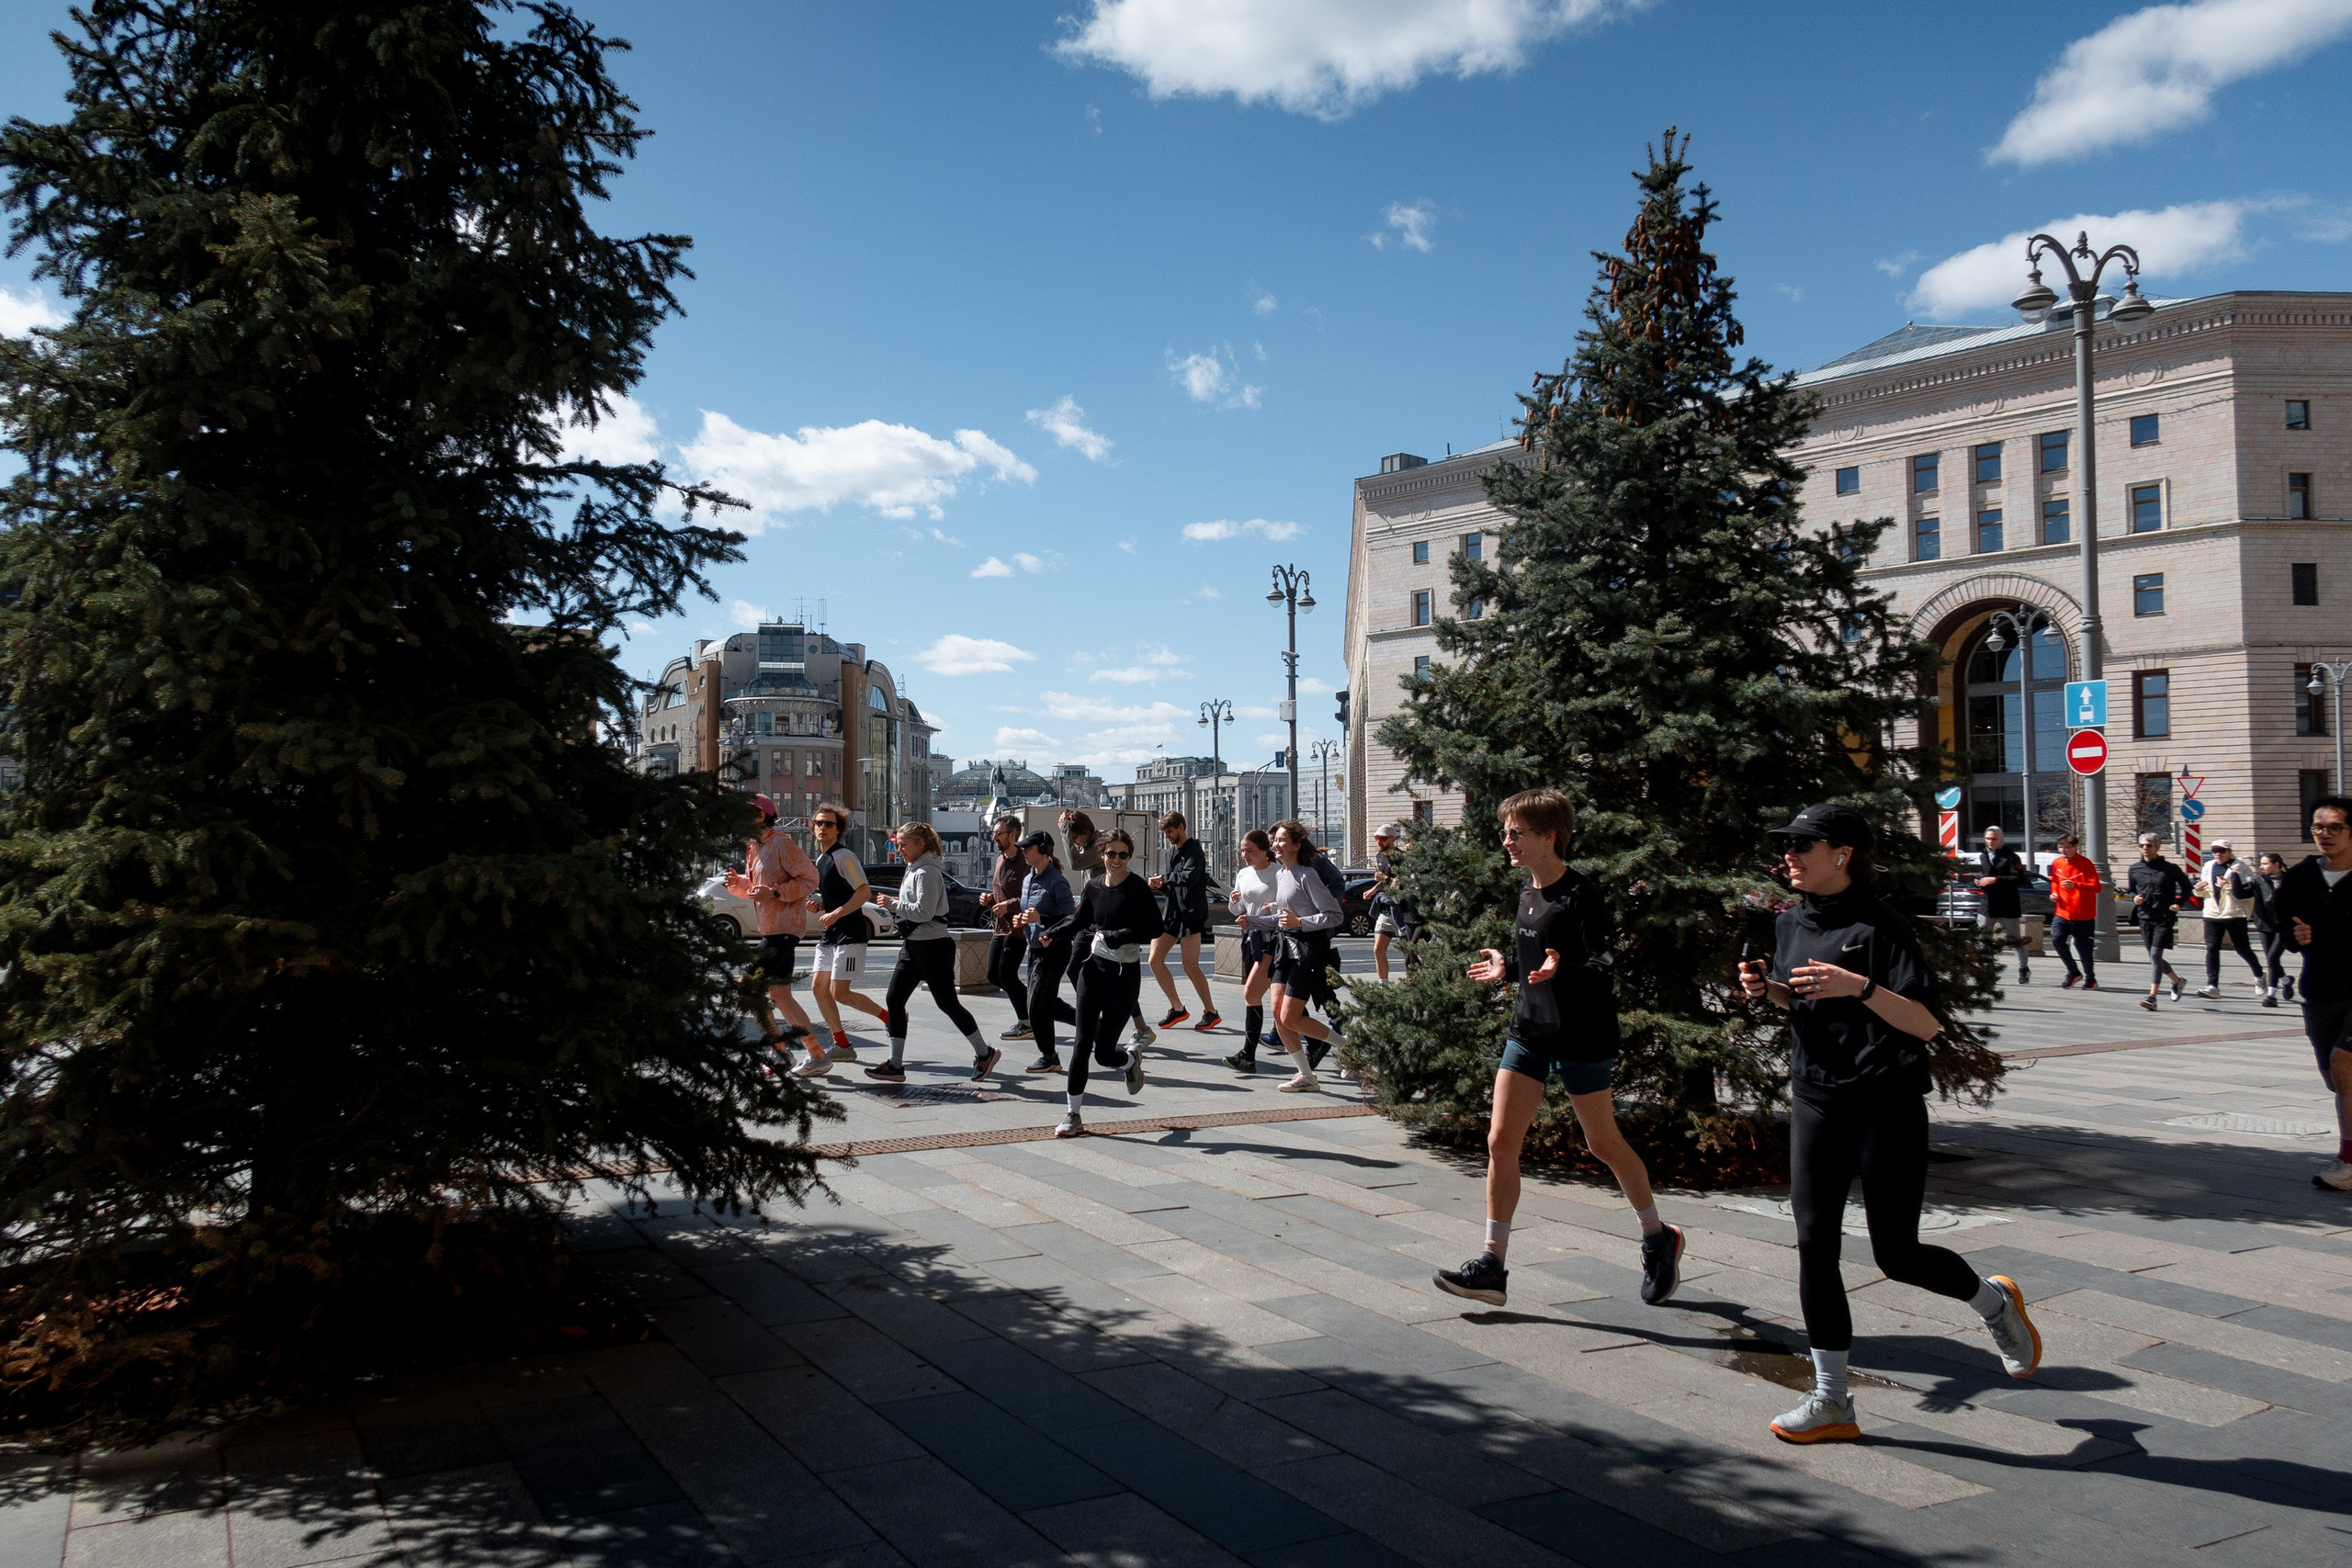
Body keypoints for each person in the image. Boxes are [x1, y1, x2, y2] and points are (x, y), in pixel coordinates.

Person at [1737, 803, 2041, 1444]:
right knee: (1814, 1240)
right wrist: (1769, 991)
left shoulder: (1884, 925)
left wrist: (1861, 986)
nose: (1787, 854)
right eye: (1784, 844)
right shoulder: (1790, 921)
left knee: (1896, 1253)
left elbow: (1928, 1024)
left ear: (1843, 852)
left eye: (1800, 844)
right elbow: (1804, 997)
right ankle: (1832, 1400)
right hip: (1816, 1094)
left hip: (1885, 1099)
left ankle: (1994, 1303)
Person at [1432, 789, 1682, 1313]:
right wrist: (1512, 970)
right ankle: (1492, 1267)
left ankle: (1659, 1238)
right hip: (1529, 1033)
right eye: (1506, 832)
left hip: (1581, 1037)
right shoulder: (1527, 892)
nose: (1507, 841)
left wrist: (1561, 971)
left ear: (1549, 836)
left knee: (1603, 1144)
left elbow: (1605, 967)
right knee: (1501, 1140)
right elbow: (1536, 966)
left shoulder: (1581, 895)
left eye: (1516, 832)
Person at [1040, 828, 1158, 1137]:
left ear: (1128, 856)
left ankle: (1130, 1060)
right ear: (1101, 855)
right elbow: (1079, 921)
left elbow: (1154, 928)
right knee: (1081, 1044)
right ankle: (1072, 1115)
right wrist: (1053, 932)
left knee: (1105, 1054)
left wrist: (1119, 936)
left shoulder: (1137, 889)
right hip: (1093, 970)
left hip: (1124, 976)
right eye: (1110, 854)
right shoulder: (1093, 886)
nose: (1116, 860)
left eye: (1122, 855)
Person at [865, 822, 1001, 1084]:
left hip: (933, 947)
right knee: (894, 999)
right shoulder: (915, 868)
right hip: (914, 945)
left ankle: (985, 1053)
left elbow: (924, 912)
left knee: (947, 1003)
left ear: (921, 844)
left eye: (904, 844)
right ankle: (895, 1064)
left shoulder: (927, 871)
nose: (899, 848)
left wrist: (893, 905)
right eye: (897, 843)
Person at [2275, 795, 2352, 1191]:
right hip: (2321, 987)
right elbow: (2277, 921)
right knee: (2335, 1078)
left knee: (2344, 1064)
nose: (2325, 834)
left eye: (2335, 827)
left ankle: (2349, 1161)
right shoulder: (2302, 877)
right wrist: (2293, 935)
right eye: (2319, 827)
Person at [1234, 820, 1344, 1092]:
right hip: (1285, 949)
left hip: (1307, 952)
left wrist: (1300, 923)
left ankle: (1348, 1049)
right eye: (1275, 841)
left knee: (1291, 1017)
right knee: (1278, 1014)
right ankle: (1306, 1075)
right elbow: (1283, 920)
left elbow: (1334, 916)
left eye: (1282, 841)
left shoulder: (1307, 874)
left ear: (1296, 845)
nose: (1276, 845)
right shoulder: (1282, 874)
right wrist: (1254, 921)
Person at [724, 793, 820, 1071]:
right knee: (780, 994)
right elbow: (757, 891)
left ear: (761, 815)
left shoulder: (781, 844)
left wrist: (777, 891)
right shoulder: (755, 846)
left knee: (747, 988)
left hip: (783, 931)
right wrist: (737, 883)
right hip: (773, 929)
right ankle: (813, 1054)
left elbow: (811, 878)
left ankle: (783, 1051)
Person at [795, 800, 888, 1077]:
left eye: (829, 824)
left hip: (850, 931)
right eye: (818, 823)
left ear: (839, 830)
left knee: (840, 992)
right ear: (812, 828)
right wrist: (820, 904)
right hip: (832, 931)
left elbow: (863, 892)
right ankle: (842, 1044)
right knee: (818, 988)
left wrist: (836, 912)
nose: (822, 828)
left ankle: (889, 1019)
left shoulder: (844, 855)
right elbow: (839, 893)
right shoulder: (822, 859)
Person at [1060, 809, 1154, 1047]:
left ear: (1083, 832)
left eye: (1075, 838)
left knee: (1114, 981)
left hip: (1104, 922)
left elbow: (1075, 863)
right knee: (1075, 969)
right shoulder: (1091, 845)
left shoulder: (1100, 845)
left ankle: (1139, 1026)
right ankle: (1118, 1020)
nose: (1075, 844)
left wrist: (1063, 831)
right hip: (1091, 918)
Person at [1147, 811, 1220, 1032]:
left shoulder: (1195, 851)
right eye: (1165, 833)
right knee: (1154, 960)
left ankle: (1211, 1011)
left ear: (1182, 827)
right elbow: (1174, 882)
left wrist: (1164, 879)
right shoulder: (1172, 850)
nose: (1167, 836)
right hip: (1172, 913)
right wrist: (1160, 884)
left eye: (1170, 831)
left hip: (1190, 914)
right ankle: (1177, 1008)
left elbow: (1188, 878)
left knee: (1190, 966)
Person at [1012, 830, 1078, 1073]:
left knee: (1037, 1006)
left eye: (1028, 849)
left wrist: (1042, 917)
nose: (1024, 853)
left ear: (1043, 850)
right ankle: (1094, 1027)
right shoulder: (1029, 878)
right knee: (1047, 1003)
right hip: (1035, 948)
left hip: (1055, 950)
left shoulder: (1057, 881)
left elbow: (1070, 918)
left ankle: (1049, 1057)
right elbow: (1030, 912)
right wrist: (1023, 919)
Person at [1221, 829, 1279, 1073]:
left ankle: (1248, 1054)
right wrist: (1234, 901)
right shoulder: (1243, 874)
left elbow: (1291, 903)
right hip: (1251, 939)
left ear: (1265, 850)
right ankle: (1319, 1042)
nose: (1245, 855)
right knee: (1280, 1000)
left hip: (1273, 940)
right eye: (1243, 851)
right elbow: (1238, 909)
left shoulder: (1279, 872)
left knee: (1253, 994)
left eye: (1250, 851)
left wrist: (1274, 907)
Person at [978, 815, 1034, 1042]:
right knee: (994, 974)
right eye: (994, 833)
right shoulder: (1000, 859)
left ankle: (1027, 1021)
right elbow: (1001, 892)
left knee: (1007, 974)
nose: (995, 837)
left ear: (1013, 835)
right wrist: (990, 899)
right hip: (1000, 926)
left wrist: (1008, 905)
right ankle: (1032, 1013)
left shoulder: (1026, 861)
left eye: (999, 833)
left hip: (1019, 926)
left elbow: (1032, 896)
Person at [2128, 833, 2195, 1011]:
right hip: (2144, 917)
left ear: (2157, 847)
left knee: (2156, 956)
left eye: (2149, 845)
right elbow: (2131, 891)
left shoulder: (2170, 868)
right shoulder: (2134, 869)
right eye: (2142, 845)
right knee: (2153, 957)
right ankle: (2177, 981)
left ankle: (2152, 997)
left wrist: (2178, 903)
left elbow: (2188, 887)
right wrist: (2135, 899)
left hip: (2164, 918)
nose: (2145, 848)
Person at [2194, 840, 2267, 998]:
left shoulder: (2240, 867)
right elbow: (2204, 889)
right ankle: (2212, 985)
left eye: (2222, 851)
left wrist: (2228, 886)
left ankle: (2259, 975)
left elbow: (2249, 891)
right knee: (2212, 948)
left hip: (2234, 914)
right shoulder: (2208, 866)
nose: (2218, 854)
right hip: (2212, 914)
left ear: (2229, 851)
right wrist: (2197, 890)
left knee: (2242, 948)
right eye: (2215, 851)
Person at [1973, 825, 2030, 984]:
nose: (1990, 841)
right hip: (1987, 903)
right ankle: (1987, 970)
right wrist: (1980, 880)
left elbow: (2019, 879)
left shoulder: (2011, 856)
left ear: (2001, 839)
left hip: (2007, 904)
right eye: (1987, 838)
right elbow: (1986, 874)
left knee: (2014, 939)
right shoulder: (1983, 855)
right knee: (1983, 938)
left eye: (1994, 839)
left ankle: (2023, 968)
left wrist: (1996, 880)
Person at [2046, 831, 2100, 990]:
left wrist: (2076, 885)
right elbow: (2055, 882)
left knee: (2084, 949)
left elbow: (2097, 887)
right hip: (2062, 911)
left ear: (2076, 847)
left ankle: (2090, 978)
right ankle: (2073, 971)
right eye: (2060, 847)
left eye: (2067, 847)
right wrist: (2054, 894)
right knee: (2056, 939)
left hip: (2083, 914)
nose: (2063, 851)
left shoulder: (2086, 863)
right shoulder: (2057, 863)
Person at [2254, 852, 2296, 1009]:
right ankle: (2286, 981)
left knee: (2272, 959)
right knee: (2272, 960)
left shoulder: (2290, 879)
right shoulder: (2259, 880)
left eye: (2265, 863)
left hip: (2283, 926)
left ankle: (2271, 996)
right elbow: (2241, 893)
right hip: (2265, 925)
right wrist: (2234, 879)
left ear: (2276, 864)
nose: (2261, 866)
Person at [1370, 824, 1403, 980]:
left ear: (1392, 839)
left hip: (1402, 910)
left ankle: (1416, 983)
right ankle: (1384, 985)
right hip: (1385, 909)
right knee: (1378, 949)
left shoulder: (1402, 858)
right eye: (1377, 838)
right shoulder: (1380, 856)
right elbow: (1383, 879)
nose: (1379, 842)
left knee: (1409, 950)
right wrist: (1373, 889)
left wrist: (1386, 879)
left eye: (1382, 838)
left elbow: (1404, 883)